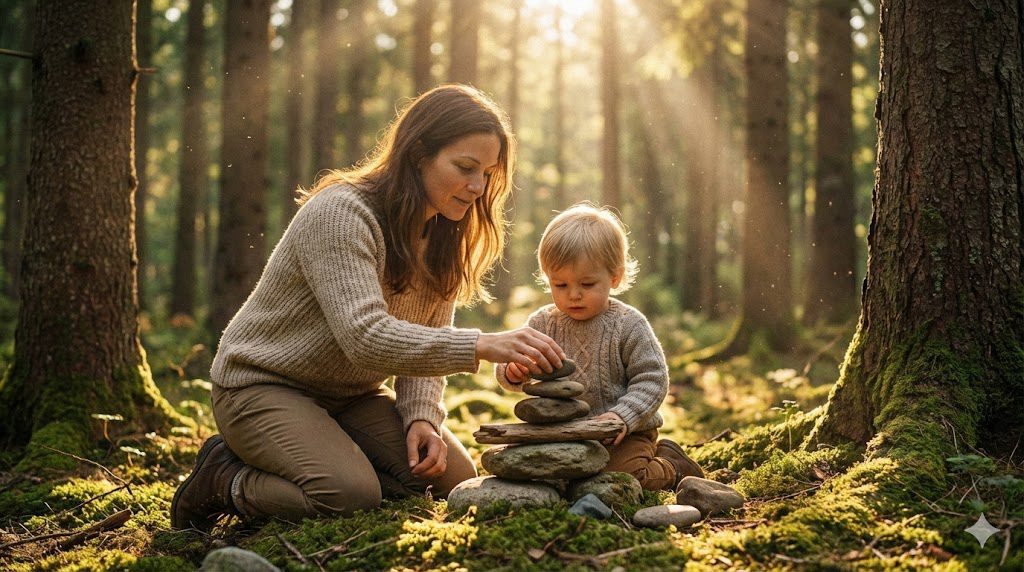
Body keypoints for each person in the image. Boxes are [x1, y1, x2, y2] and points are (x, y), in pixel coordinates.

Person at [171, 85, 565, 531]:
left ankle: (336, 460)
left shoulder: (444, 233)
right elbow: (365, 336)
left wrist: (421, 418)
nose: (478, 187)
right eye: (465, 167)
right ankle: (224, 478)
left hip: (352, 396)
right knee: (349, 495)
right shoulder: (341, 214)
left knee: (452, 477)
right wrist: (482, 345)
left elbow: (427, 343)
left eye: (488, 174)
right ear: (418, 153)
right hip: (262, 386)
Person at [495, 203, 704, 491]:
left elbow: (653, 379)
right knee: (543, 476)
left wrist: (622, 416)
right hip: (560, 433)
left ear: (614, 277)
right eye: (560, 285)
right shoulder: (542, 323)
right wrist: (512, 371)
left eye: (587, 284)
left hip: (622, 434)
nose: (574, 294)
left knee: (622, 478)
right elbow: (510, 362)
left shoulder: (628, 324)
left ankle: (671, 464)